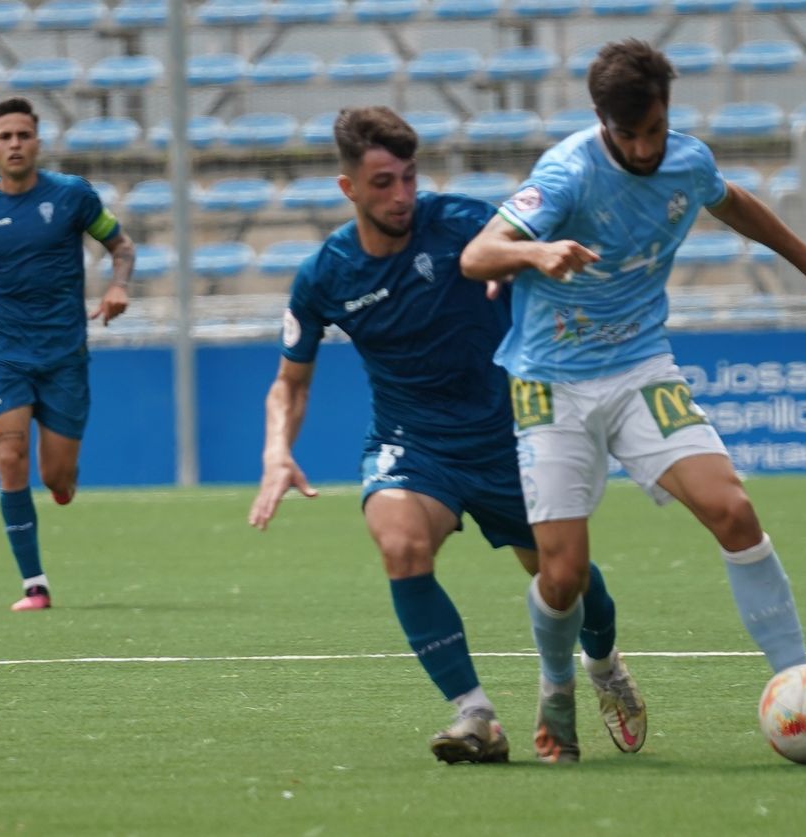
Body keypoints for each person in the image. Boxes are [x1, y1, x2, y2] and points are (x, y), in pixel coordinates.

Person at [459, 38, 806, 759]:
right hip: (548, 381)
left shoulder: (687, 158)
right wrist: (535, 252)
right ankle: (558, 687)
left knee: (733, 508)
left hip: (638, 368)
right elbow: (475, 255)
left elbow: (732, 201)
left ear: (667, 112)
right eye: (629, 134)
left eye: (654, 129)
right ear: (603, 121)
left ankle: (801, 686)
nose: (645, 146)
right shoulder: (566, 173)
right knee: (561, 575)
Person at [248, 106, 645, 765]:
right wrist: (275, 451)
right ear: (348, 188)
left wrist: (524, 259)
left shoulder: (462, 223)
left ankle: (604, 662)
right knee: (401, 543)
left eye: (408, 177)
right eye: (382, 182)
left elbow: (544, 245)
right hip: (415, 444)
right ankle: (476, 715)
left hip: (512, 435)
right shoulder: (325, 274)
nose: (401, 195)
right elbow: (290, 381)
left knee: (564, 578)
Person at [0, 96, 135, 612]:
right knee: (10, 457)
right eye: (6, 136)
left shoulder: (72, 197)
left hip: (64, 352)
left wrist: (118, 286)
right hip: (4, 349)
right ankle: (34, 584)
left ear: (37, 142)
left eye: (24, 135)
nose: (15, 144)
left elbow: (121, 246)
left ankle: (62, 483)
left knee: (58, 479)